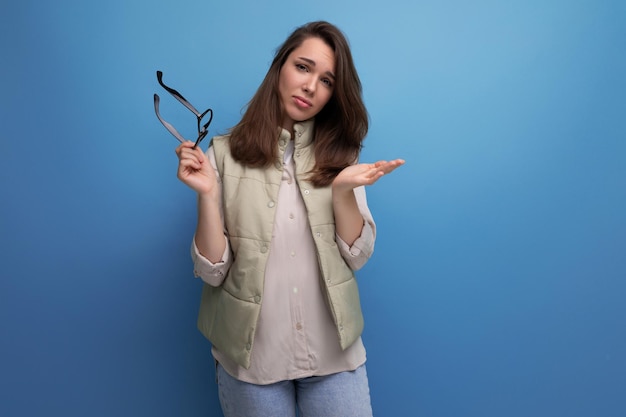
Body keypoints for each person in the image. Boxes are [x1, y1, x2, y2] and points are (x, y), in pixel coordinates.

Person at [175, 20, 404, 417]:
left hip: (334, 359)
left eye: (327, 80)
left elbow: (356, 257)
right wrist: (209, 195)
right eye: (303, 67)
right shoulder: (223, 155)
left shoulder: (341, 158)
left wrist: (343, 191)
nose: (311, 86)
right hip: (252, 363)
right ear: (280, 66)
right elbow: (213, 273)